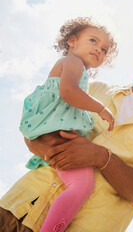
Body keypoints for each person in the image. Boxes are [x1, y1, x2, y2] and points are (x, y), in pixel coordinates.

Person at [0, 37, 133, 232]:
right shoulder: (95, 89)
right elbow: (38, 124)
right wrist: (49, 148)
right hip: (20, 206)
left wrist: (100, 156)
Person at [17, 16, 117, 232]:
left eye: (104, 49)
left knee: (80, 185)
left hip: (50, 134)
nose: (99, 49)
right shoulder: (73, 63)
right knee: (82, 187)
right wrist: (101, 109)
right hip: (55, 134)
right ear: (72, 41)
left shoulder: (77, 69)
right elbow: (69, 92)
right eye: (93, 41)